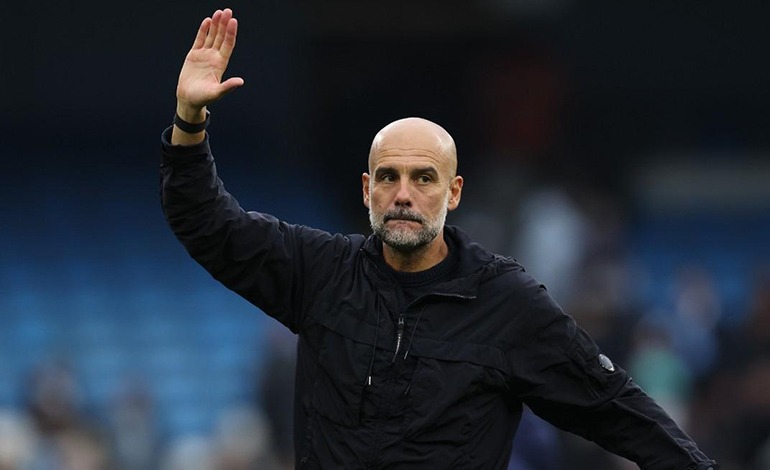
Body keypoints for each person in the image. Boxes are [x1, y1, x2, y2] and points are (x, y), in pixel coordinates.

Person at [160, 8, 719, 470]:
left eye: (423, 179)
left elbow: (614, 407)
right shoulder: (320, 271)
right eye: (388, 177)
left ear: (453, 193)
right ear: (367, 190)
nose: (404, 194)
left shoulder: (507, 303)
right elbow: (207, 223)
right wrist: (189, 120)